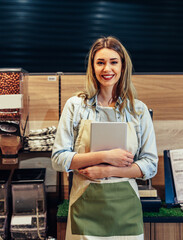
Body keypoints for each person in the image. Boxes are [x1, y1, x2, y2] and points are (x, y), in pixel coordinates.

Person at [51, 36, 158, 240]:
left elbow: (150, 165)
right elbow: (58, 159)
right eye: (100, 62)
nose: (107, 69)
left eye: (113, 62)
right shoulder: (75, 106)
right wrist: (106, 155)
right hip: (85, 207)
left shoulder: (138, 110)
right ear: (92, 67)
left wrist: (107, 170)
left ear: (123, 66)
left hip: (125, 210)